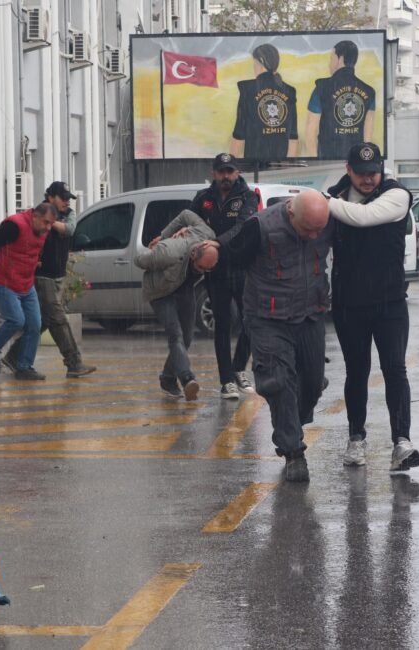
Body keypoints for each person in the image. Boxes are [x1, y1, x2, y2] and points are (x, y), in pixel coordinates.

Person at [197, 191, 334, 482]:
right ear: (291, 212)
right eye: (307, 228)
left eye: (318, 230)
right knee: (279, 382)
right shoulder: (260, 227)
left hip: (310, 313)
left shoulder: (327, 221)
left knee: (311, 382)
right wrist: (208, 253)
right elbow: (230, 252)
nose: (313, 236)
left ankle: (292, 425)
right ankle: (293, 451)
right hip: (268, 319)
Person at [325, 142, 419, 472]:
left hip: (389, 301)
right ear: (348, 169)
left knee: (395, 369)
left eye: (374, 172)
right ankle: (356, 439)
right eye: (362, 173)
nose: (369, 179)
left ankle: (402, 443)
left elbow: (364, 218)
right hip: (349, 303)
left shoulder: (396, 195)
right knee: (357, 372)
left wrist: (325, 203)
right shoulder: (335, 196)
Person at [4, 182, 97, 378]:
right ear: (50, 197)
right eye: (62, 197)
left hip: (58, 276)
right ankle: (73, 363)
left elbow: (70, 229)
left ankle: (13, 356)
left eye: (67, 198)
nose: (66, 202)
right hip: (42, 277)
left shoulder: (64, 215)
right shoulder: (37, 216)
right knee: (58, 319)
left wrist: (51, 221)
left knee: (44, 321)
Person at [191, 153, 259, 400]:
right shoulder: (203, 198)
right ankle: (226, 380)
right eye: (222, 172)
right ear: (214, 173)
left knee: (250, 320)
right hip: (216, 271)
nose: (226, 176)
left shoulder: (248, 197)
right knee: (222, 324)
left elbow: (242, 226)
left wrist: (217, 243)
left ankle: (239, 368)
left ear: (237, 172)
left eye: (230, 171)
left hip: (241, 267)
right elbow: (189, 222)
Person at [135, 209, 217, 401]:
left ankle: (167, 378)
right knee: (175, 334)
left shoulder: (208, 235)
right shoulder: (168, 252)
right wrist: (160, 241)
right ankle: (187, 379)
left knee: (187, 338)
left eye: (207, 269)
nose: (203, 272)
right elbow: (139, 260)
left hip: (183, 289)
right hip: (161, 292)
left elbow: (185, 214)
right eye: (201, 268)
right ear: (193, 254)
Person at [0, 202, 58, 381]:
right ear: (35, 216)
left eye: (51, 224)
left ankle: (24, 367)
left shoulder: (43, 231)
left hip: (25, 283)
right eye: (46, 222)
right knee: (16, 319)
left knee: (34, 325)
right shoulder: (14, 226)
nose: (48, 228)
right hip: (4, 281)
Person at [304, 40, 377, 159]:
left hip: (327, 159)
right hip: (355, 162)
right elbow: (367, 136)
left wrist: (315, 159)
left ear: (340, 59)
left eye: (331, 59)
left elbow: (310, 131)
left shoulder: (322, 88)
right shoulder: (369, 92)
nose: (329, 64)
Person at [230, 43, 299, 161]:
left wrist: (232, 165)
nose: (253, 66)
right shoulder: (289, 91)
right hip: (280, 164)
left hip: (254, 164)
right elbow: (293, 137)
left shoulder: (247, 89)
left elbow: (239, 134)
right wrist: (288, 167)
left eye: (254, 62)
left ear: (260, 62)